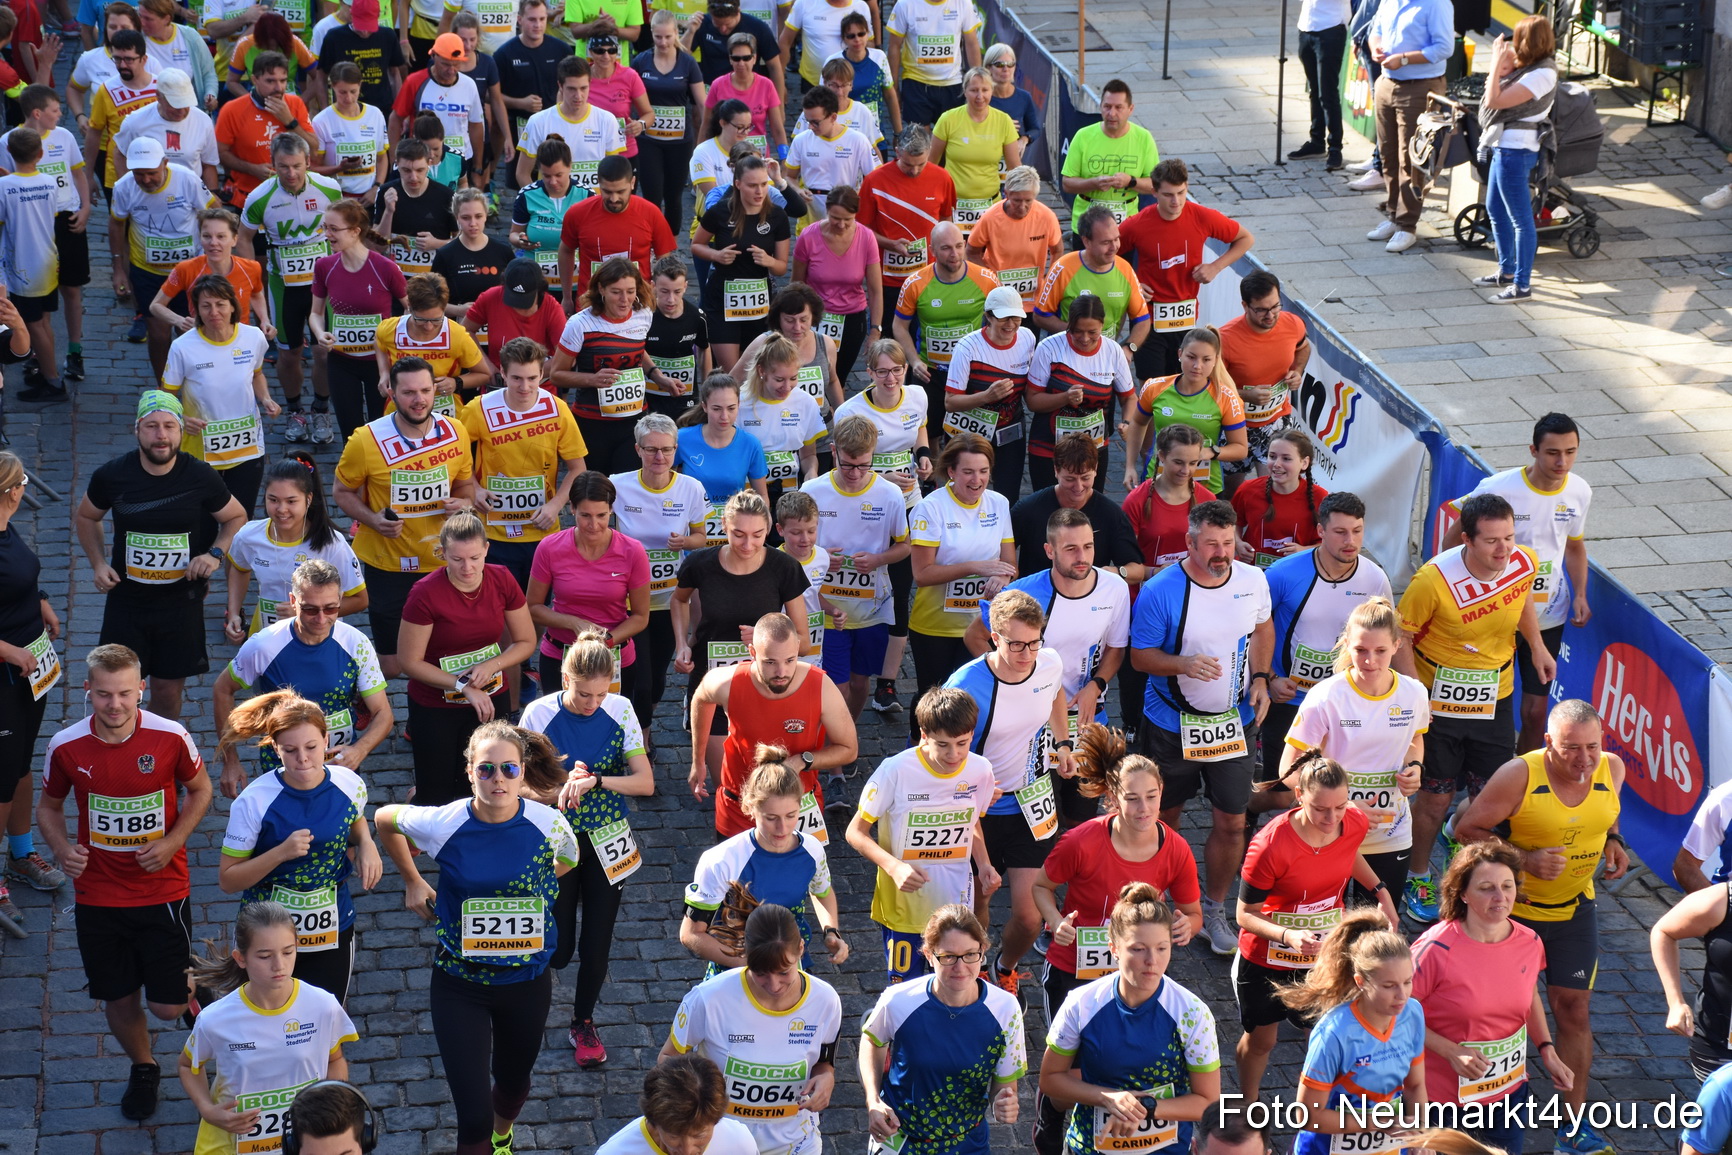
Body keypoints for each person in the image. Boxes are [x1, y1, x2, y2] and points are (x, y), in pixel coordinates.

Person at [375, 721, 580, 1155]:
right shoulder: (443, 822)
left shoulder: (550, 824)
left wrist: (532, 892)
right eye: (486, 770)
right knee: (472, 1118)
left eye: (508, 769)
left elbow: (568, 858)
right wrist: (412, 881)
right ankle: (487, 1137)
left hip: (526, 981)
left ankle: (503, 1136)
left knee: (512, 1083)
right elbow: (384, 819)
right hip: (459, 984)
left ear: (522, 772)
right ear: (470, 772)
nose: (498, 779)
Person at [36, 643, 213, 1121]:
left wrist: (175, 841)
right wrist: (60, 849)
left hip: (163, 889)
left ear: (140, 691)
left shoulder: (170, 736)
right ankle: (144, 1067)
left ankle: (194, 990)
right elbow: (48, 806)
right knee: (117, 995)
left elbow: (201, 790)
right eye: (104, 696)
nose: (114, 706)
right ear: (88, 691)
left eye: (124, 695)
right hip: (98, 893)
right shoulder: (67, 745)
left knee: (167, 1009)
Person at [1456, 698, 1626, 1155]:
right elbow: (1465, 827)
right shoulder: (1520, 775)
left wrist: (1613, 840)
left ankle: (1573, 1127)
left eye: (1592, 747)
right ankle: (1475, 1117)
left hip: (1574, 910)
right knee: (1498, 1015)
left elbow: (1607, 814)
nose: (1584, 760)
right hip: (1515, 915)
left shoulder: (1612, 768)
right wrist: (1524, 860)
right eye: (1571, 748)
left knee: (1574, 1011)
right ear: (1549, 742)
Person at [1031, 725, 1202, 1155]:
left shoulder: (1176, 848)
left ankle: (1114, 1122)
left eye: (1151, 797)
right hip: (1074, 969)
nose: (1143, 808)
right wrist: (1055, 921)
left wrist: (1187, 926)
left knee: (1116, 1064)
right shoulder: (1082, 841)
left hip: (1138, 971)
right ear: (1112, 797)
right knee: (1068, 1071)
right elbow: (1040, 887)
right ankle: (1051, 1116)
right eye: (1131, 798)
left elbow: (1194, 912)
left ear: (1162, 794)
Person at [1394, 492, 1551, 922]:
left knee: (1492, 798)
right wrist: (1414, 697)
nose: (1504, 550)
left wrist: (1536, 647)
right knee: (1433, 800)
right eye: (1492, 542)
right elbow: (1401, 637)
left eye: (1510, 538)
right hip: (1439, 705)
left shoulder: (1522, 562)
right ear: (1466, 539)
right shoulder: (1432, 581)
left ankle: (1476, 869)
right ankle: (1418, 872)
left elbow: (1522, 605)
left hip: (1494, 700)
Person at [1128, 498, 1273, 954]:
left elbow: (1263, 628)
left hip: (1235, 724)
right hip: (1171, 725)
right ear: (1188, 543)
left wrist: (1263, 679)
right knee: (1162, 818)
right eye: (1210, 543)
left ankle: (1212, 907)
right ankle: (1155, 900)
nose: (1221, 553)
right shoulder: (1163, 590)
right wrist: (1184, 664)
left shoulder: (1253, 580)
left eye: (1228, 543)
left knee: (1233, 821)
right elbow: (1139, 657)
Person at [519, 628, 656, 1068]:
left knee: (597, 942)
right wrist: (559, 786)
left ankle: (583, 1020)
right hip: (555, 841)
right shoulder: (537, 715)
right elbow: (516, 787)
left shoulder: (622, 710)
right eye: (582, 694)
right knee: (559, 948)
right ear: (563, 680)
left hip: (607, 838)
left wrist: (595, 780)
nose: (592, 703)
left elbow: (645, 782)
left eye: (600, 694)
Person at [74, 391, 247, 722]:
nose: (161, 435)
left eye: (170, 426)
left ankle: (156, 757)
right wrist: (97, 562)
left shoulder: (199, 475)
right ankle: (121, 755)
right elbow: (86, 517)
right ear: (136, 429)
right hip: (128, 602)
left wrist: (215, 553)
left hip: (180, 602)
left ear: (182, 431)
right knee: (118, 691)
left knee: (167, 693)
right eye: (151, 426)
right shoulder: (112, 475)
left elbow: (236, 516)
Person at [1232, 753, 1395, 1100]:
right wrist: (1288, 935)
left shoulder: (1351, 822)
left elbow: (1348, 853)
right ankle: (1249, 1105)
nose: (1331, 818)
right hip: (1268, 956)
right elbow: (1245, 914)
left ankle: (1321, 1106)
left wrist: (1381, 891)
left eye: (1340, 807)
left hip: (1322, 951)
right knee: (1263, 1040)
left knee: (1324, 1031)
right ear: (1300, 796)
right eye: (1321, 809)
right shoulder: (1269, 845)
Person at [944, 587, 1073, 994]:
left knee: (1031, 915)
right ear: (994, 637)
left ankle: (1005, 966)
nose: (1027, 654)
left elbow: (1056, 696)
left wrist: (1063, 742)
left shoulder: (1048, 663)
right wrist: (971, 785)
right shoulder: (966, 684)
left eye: (1035, 642)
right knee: (977, 904)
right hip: (976, 814)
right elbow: (938, 748)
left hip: (1032, 805)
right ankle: (976, 969)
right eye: (1016, 644)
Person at [966, 509, 1131, 822]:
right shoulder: (1023, 593)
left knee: (1081, 816)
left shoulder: (1115, 588)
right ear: (1049, 551)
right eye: (1071, 549)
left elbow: (1116, 648)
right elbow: (975, 636)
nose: (1082, 557)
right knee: (1037, 820)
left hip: (1086, 722)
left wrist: (1095, 686)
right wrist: (1013, 687)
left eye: (1088, 547)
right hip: (1034, 724)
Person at [216, 693, 381, 999]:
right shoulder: (254, 801)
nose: (302, 759)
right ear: (275, 748)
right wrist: (280, 853)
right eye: (290, 750)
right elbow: (228, 880)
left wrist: (367, 842)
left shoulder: (349, 783)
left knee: (325, 1025)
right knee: (266, 1027)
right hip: (266, 935)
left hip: (330, 928)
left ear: (326, 738)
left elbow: (354, 818)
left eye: (311, 747)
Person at [1038, 882, 1221, 1155]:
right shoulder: (1082, 1004)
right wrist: (1109, 1098)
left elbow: (1208, 1102)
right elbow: (1050, 1079)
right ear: (1113, 948)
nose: (1152, 961)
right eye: (1138, 949)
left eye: (1162, 948)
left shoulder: (1192, 1013)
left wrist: (1144, 1109)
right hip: (1089, 1148)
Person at [1415, 839, 1574, 1152]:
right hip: (1442, 1099)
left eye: (1507, 885)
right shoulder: (1435, 949)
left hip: (1507, 1094)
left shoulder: (1529, 941)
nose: (1500, 898)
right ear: (1462, 893)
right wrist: (1449, 1050)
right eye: (1486, 887)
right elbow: (1394, 1014)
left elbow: (1528, 995)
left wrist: (1547, 1050)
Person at [332, 357, 477, 678]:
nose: (420, 399)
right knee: (394, 665)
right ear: (391, 393)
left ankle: (423, 723)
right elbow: (341, 492)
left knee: (441, 654)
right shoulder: (365, 440)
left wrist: (463, 504)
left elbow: (467, 487)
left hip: (444, 563)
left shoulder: (456, 431)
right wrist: (372, 520)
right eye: (409, 392)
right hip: (389, 565)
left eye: (426, 390)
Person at [659, 903, 843, 1155]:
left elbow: (824, 1063)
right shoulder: (708, 999)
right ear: (744, 952)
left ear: (801, 948)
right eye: (761, 973)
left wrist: (827, 1078)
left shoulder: (825, 1000)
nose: (774, 984)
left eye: (783, 972)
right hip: (722, 1144)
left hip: (795, 1144)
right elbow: (668, 1060)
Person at [1456, 412, 1591, 754]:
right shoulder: (1499, 488)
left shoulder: (1580, 491)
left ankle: (1520, 776)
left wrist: (1581, 594)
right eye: (1552, 452)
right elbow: (1453, 541)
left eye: (1571, 452)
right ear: (1533, 450)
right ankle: (1476, 774)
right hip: (1494, 611)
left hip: (1548, 615)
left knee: (1535, 712)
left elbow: (1574, 545)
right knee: (1480, 704)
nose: (1563, 461)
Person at [1277, 595, 1424, 904]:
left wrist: (1415, 768)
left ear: (1397, 646)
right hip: (1331, 831)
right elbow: (1288, 770)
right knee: (1329, 933)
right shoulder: (1327, 696)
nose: (1370, 661)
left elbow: (1414, 740)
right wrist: (1344, 809)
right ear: (1346, 644)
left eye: (1381, 651)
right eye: (1360, 650)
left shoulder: (1414, 693)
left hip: (1390, 831)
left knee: (1377, 931)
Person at [846, 687, 1000, 983]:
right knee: (905, 994)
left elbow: (972, 823)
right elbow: (855, 832)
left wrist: (984, 865)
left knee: (956, 987)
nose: (953, 754)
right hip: (905, 907)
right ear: (923, 735)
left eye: (962, 743)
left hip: (956, 905)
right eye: (942, 744)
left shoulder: (981, 770)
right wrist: (895, 867)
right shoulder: (896, 770)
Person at [179, 902, 358, 1153]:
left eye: (288, 952)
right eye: (265, 956)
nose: (279, 965)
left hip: (304, 1143)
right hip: (231, 1145)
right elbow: (188, 1066)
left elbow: (335, 1060)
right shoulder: (215, 1019)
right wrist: (208, 1111)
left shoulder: (322, 1005)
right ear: (241, 958)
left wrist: (331, 1109)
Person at [215, 557, 392, 795]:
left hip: (338, 764)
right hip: (282, 769)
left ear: (340, 600)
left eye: (330, 608)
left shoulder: (355, 642)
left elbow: (383, 712)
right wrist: (231, 761)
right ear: (293, 602)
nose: (321, 619)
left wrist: (360, 750)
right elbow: (222, 690)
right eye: (310, 609)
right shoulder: (264, 645)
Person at [1255, 491, 1392, 796]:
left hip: (1344, 700)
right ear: (1320, 531)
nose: (1351, 541)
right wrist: (1269, 679)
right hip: (1288, 698)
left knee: (1334, 787)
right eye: (1340, 532)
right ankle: (1250, 817)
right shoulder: (1283, 574)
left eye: (1357, 531)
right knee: (1282, 791)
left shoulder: (1375, 579)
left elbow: (1386, 639)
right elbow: (1254, 630)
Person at [860, 904, 1025, 1151]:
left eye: (970, 955)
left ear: (983, 951)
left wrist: (1004, 1103)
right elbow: (872, 1040)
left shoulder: (1006, 1009)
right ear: (928, 954)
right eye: (948, 957)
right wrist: (873, 1101)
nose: (960, 968)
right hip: (899, 1141)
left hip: (966, 1144)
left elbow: (1005, 1085)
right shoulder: (899, 999)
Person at [399, 513, 538, 804]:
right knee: (435, 794)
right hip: (436, 704)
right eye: (457, 559)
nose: (468, 568)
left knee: (484, 785)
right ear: (442, 554)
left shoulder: (502, 579)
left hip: (490, 696)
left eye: (475, 558)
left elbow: (526, 641)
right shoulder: (424, 593)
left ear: (487, 548)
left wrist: (492, 664)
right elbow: (409, 662)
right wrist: (462, 685)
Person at [687, 609, 859, 838]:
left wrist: (801, 761)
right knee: (736, 875)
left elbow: (849, 750)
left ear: (798, 649)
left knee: (799, 874)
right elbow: (700, 698)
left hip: (797, 809)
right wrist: (698, 760)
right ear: (752, 652)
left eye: (790, 660)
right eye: (770, 662)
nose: (781, 672)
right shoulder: (727, 682)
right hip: (739, 807)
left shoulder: (821, 686)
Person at [681, 747, 845, 971]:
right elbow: (691, 934)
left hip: (792, 969)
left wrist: (831, 931)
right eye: (771, 818)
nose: (782, 828)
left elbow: (822, 892)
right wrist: (756, 965)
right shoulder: (721, 860)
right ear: (750, 808)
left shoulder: (812, 849)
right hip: (736, 974)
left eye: (791, 816)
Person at [801, 413, 912, 744]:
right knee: (838, 684)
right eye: (848, 465)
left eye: (863, 465)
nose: (855, 473)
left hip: (871, 608)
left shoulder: (890, 495)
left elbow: (905, 546)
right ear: (833, 452)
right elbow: (796, 544)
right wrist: (822, 558)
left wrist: (879, 558)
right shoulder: (813, 491)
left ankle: (844, 736)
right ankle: (836, 747)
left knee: (861, 681)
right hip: (826, 606)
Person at [1281, 910, 1426, 1155]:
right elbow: (1306, 1115)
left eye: (1407, 981)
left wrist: (1420, 1134)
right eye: (1389, 986)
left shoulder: (1412, 1013)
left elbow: (1415, 1085)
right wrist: (1375, 1124)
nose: (1402, 995)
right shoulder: (1334, 1033)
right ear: (1360, 981)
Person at [460, 336, 586, 592]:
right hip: (493, 530)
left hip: (541, 528)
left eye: (532, 378)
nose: (525, 387)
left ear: (542, 373)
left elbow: (577, 468)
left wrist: (555, 506)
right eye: (517, 378)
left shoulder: (558, 409)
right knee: (499, 605)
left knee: (536, 605)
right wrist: (475, 489)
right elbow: (457, 459)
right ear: (503, 374)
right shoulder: (478, 409)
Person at [240, 133, 342, 442]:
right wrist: (252, 282)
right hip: (283, 287)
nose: (291, 174)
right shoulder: (259, 197)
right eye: (283, 167)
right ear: (273, 165)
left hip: (323, 286)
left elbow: (345, 227)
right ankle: (295, 410)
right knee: (289, 354)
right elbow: (244, 238)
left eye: (297, 166)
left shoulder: (329, 188)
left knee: (325, 351)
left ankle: (322, 410)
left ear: (309, 162)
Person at [0, 451, 67, 919]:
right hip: (7, 672)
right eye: (22, 481)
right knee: (1, 779)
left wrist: (40, 598)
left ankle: (21, 854)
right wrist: (10, 651)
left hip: (30, 669)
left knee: (21, 763)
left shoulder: (6, 522)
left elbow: (17, 570)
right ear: (13, 489)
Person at [905, 433, 1015, 715]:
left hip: (981, 625)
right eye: (967, 472)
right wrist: (976, 567)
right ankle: (915, 751)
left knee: (972, 703)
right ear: (951, 471)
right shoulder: (930, 508)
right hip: (935, 627)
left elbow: (1009, 565)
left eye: (983, 471)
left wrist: (1002, 577)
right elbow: (922, 574)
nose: (976, 480)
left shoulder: (999, 504)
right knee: (931, 704)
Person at [1118, 158, 1254, 381]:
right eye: (1168, 195)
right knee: (1151, 389)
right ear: (1154, 192)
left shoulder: (1201, 216)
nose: (1176, 201)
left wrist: (1215, 267)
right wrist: (1130, 283)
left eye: (1181, 193)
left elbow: (1245, 238)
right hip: (1148, 320)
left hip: (1186, 322)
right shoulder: (1138, 224)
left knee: (1183, 386)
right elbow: (1105, 255)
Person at [611, 413, 710, 716]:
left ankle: (646, 723)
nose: (659, 456)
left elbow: (702, 537)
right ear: (638, 449)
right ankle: (640, 735)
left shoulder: (691, 488)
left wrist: (685, 542)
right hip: (629, 601)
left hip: (670, 600)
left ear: (675, 449)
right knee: (638, 679)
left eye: (667, 449)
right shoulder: (617, 485)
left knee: (656, 679)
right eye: (651, 449)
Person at [524, 471, 650, 703]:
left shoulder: (632, 551)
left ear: (612, 509)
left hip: (613, 656)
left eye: (601, 515)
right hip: (560, 654)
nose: (594, 525)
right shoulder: (550, 547)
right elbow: (532, 607)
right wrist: (574, 623)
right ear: (571, 508)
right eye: (585, 515)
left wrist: (605, 641)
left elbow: (641, 617)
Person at [160, 274, 279, 513]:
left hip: (247, 447)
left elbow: (256, 374)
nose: (214, 311)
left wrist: (265, 398)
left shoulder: (252, 337)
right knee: (201, 521)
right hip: (201, 450)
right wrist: (181, 419)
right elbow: (166, 396)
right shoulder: (183, 347)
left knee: (239, 517)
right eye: (206, 305)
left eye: (220, 304)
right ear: (197, 310)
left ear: (233, 306)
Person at [0, 86, 91, 392]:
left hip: (44, 244)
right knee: (42, 314)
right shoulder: (44, 178)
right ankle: (43, 361)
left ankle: (61, 365)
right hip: (39, 246)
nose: (60, 113)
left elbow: (79, 175)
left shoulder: (62, 138)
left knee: (50, 308)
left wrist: (86, 206)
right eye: (55, 108)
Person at [109, 142, 219, 378]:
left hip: (191, 271)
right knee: (158, 335)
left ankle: (195, 383)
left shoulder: (187, 179)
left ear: (165, 164)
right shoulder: (123, 187)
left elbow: (215, 211)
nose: (146, 180)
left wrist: (214, 254)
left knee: (190, 333)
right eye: (139, 174)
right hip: (147, 271)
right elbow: (116, 224)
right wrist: (118, 268)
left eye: (152, 174)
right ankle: (164, 390)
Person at [309, 198, 406, 436]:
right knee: (350, 433)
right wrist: (320, 333)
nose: (327, 234)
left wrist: (395, 337)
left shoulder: (385, 267)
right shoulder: (324, 266)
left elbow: (410, 308)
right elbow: (315, 313)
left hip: (379, 363)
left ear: (355, 232)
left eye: (333, 229)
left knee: (381, 430)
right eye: (325, 227)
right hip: (342, 362)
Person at [551, 254, 656, 472]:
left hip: (634, 419)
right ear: (601, 289)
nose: (624, 300)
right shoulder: (580, 323)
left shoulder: (644, 314)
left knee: (627, 493)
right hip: (593, 423)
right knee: (597, 494)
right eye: (616, 292)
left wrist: (658, 375)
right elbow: (556, 374)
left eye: (630, 291)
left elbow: (635, 348)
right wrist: (592, 379)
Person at [894, 221, 998, 440]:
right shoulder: (915, 283)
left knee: (964, 437)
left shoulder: (986, 280)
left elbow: (1002, 322)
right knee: (927, 434)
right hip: (930, 372)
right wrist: (914, 362)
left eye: (959, 246)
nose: (954, 254)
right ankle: (930, 475)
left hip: (970, 371)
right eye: (946, 248)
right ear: (932, 250)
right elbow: (899, 326)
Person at [1026, 295, 1138, 493]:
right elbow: (1032, 401)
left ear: (1103, 325)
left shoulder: (1112, 350)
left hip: (1093, 450)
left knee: (1088, 516)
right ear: (1069, 324)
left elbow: (1129, 397)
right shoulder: (1049, 348)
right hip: (1048, 448)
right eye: (1077, 331)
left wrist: (1127, 422)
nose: (1085, 339)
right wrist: (1064, 398)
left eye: (1092, 332)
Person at [1365, 0, 1452, 253]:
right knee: (1388, 154)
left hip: (1420, 87)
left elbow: (1444, 48)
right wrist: (1376, 49)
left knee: (1411, 159)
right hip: (1387, 82)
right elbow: (1376, 30)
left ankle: (1407, 225)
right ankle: (1394, 215)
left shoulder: (1436, 4)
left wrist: (1403, 59)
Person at [1121, 326, 1249, 497]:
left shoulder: (1226, 397)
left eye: (1206, 359)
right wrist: (1130, 466)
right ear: (1180, 354)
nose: (1197, 366)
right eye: (1191, 357)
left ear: (1215, 360)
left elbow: (1240, 448)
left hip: (1205, 488)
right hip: (1158, 482)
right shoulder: (1154, 387)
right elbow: (1138, 422)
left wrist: (1209, 452)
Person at [693, 154, 791, 370]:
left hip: (759, 306)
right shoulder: (719, 211)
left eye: (764, 184)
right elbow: (696, 245)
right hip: (722, 302)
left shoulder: (777, 216)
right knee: (732, 374)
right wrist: (716, 255)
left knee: (756, 372)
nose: (759, 191)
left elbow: (782, 267)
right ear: (737, 184)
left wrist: (768, 261)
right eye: (752, 185)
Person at [860, 127, 958, 334]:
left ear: (930, 152)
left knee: (926, 335)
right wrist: (890, 244)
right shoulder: (874, 181)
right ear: (897, 152)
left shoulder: (943, 178)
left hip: (930, 275)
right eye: (907, 165)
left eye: (921, 164)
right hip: (888, 278)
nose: (914, 171)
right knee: (890, 336)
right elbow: (862, 230)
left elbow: (946, 221)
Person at [1010, 434, 1144, 579]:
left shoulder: (1111, 514)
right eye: (1070, 479)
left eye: (1086, 478)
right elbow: (1000, 553)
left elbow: (1137, 569)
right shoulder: (1027, 510)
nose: (1078, 487)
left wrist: (1114, 572)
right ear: (1056, 470)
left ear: (1096, 469)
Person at [1216, 269, 1311, 474]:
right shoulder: (1225, 339)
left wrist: (1297, 370)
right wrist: (1243, 395)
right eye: (1261, 310)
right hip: (1235, 426)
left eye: (1276, 306)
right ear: (1245, 306)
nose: (1271, 315)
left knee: (1272, 488)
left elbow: (1303, 347)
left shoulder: (1292, 323)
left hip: (1276, 423)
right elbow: (1208, 386)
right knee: (1230, 494)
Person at [791, 183, 882, 386]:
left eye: (847, 220)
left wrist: (875, 330)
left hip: (852, 319)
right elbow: (796, 286)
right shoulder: (808, 236)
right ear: (826, 211)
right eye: (835, 218)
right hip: (815, 319)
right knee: (812, 376)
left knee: (837, 379)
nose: (841, 225)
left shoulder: (866, 237)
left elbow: (875, 290)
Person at [0, 128, 66, 403]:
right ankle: (47, 370)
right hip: (48, 262)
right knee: (45, 321)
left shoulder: (4, 186)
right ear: (40, 154)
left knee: (34, 325)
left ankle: (53, 382)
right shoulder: (50, 182)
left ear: (10, 153)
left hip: (22, 268)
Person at [557, 155, 678, 304]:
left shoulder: (651, 213)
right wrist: (567, 297)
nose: (614, 199)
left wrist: (659, 298)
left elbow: (664, 260)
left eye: (620, 191)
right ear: (598, 183)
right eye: (607, 192)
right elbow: (565, 250)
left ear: (632, 183)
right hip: (591, 305)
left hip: (637, 305)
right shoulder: (577, 213)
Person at [373, 271, 490, 421]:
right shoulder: (390, 329)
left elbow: (484, 374)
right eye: (420, 319)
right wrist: (384, 373)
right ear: (409, 306)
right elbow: (379, 341)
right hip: (400, 412)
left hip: (444, 414)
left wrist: (456, 382)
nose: (429, 327)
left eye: (436, 320)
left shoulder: (457, 335)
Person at [732, 284, 845, 438]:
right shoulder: (763, 343)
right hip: (777, 434)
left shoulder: (826, 344)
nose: (797, 327)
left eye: (803, 320)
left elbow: (832, 381)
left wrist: (843, 418)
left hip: (821, 432)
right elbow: (733, 380)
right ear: (778, 319)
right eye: (789, 320)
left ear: (813, 317)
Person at [1031, 204, 1150, 349]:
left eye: (1116, 239)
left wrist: (1129, 348)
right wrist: (1079, 333)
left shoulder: (1125, 269)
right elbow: (1040, 316)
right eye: (1106, 242)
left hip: (1105, 357)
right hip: (1066, 354)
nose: (1114, 247)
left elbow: (1143, 320)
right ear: (1086, 241)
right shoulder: (1063, 268)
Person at [629, 13, 706, 233]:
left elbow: (702, 103)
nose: (663, 42)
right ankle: (651, 244)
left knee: (673, 197)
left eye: (668, 37)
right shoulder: (641, 61)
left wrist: (709, 136)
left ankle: (670, 245)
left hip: (679, 142)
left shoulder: (688, 62)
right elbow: (628, 96)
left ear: (676, 34)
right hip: (648, 140)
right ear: (651, 34)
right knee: (652, 195)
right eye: (658, 37)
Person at [596, 1055, 760, 1155]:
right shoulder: (615, 1152)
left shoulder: (740, 1144)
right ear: (654, 1121)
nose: (687, 1150)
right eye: (674, 1136)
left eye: (699, 1135)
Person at [155, 207, 269, 343]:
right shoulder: (185, 269)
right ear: (200, 238)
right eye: (207, 236)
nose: (213, 243)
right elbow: (156, 305)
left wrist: (265, 320)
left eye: (221, 236)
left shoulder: (252, 268)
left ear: (234, 240)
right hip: (202, 343)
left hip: (241, 345)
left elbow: (256, 294)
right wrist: (179, 321)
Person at [216, 52, 318, 202]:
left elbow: (314, 147)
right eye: (270, 81)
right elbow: (220, 153)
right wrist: (251, 169)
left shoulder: (295, 104)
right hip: (249, 196)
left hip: (292, 196)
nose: (278, 87)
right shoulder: (232, 109)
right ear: (254, 80)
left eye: (283, 81)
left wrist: (290, 121)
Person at [1059, 79, 1158, 232]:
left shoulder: (1144, 138)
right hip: (1087, 227)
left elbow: (1154, 184)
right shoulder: (1083, 136)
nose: (1112, 113)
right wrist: (1094, 183)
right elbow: (1067, 183)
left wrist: (1130, 181)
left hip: (1126, 227)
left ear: (1130, 109)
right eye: (1107, 107)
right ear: (1100, 107)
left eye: (1119, 107)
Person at [515, 55, 624, 190]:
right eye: (572, 89)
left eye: (583, 88)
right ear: (560, 86)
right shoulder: (539, 122)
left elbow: (612, 173)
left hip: (592, 206)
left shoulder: (607, 120)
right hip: (554, 206)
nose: (578, 96)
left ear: (590, 83)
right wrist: (541, 204)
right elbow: (522, 173)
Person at [930, 67, 1017, 234]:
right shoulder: (948, 119)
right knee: (954, 256)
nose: (980, 96)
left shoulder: (1003, 121)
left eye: (985, 90)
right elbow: (931, 165)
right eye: (974, 90)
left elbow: (1014, 168)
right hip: (953, 207)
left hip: (989, 204)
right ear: (964, 91)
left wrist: (1019, 201)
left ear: (992, 90)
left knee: (988, 256)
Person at [966, 166, 1062, 316]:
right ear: (1007, 194)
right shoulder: (990, 217)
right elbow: (971, 251)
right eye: (1017, 200)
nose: (1022, 206)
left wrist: (1048, 281)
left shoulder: (1046, 217)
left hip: (1031, 299)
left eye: (1028, 200)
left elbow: (1058, 250)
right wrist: (989, 279)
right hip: (999, 299)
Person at [390, 33, 485, 186]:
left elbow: (475, 125)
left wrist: (478, 166)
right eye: (446, 64)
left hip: (458, 160)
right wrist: (394, 159)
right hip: (422, 161)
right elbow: (395, 119)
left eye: (457, 64)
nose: (451, 70)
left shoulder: (469, 85)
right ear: (433, 56)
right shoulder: (415, 82)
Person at [736, 335, 826, 493]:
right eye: (779, 379)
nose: (787, 387)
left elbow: (808, 454)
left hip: (789, 493)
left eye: (793, 378)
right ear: (762, 371)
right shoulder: (740, 403)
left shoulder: (806, 402)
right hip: (749, 493)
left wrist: (811, 472)